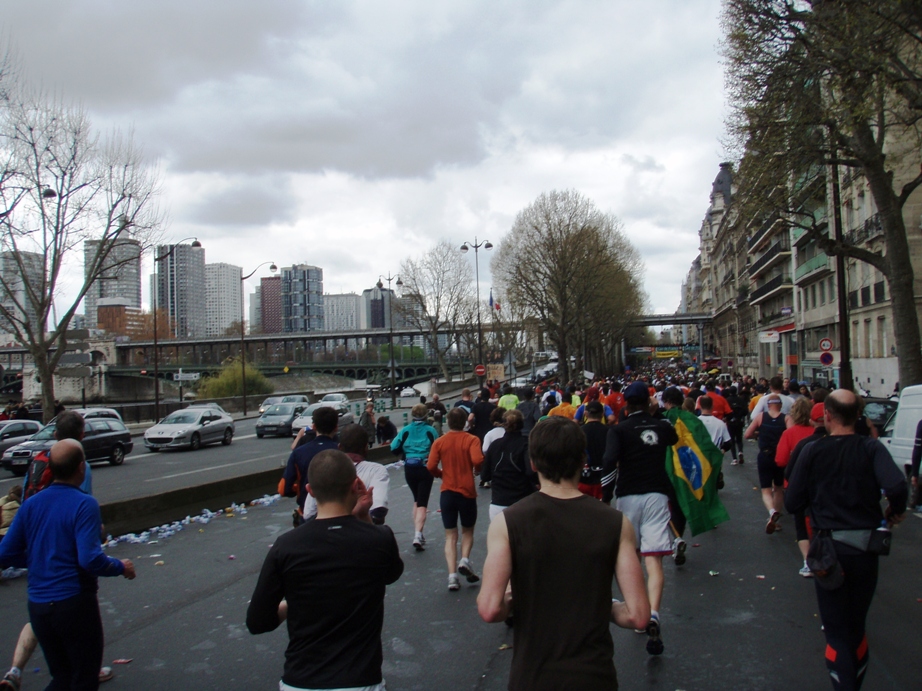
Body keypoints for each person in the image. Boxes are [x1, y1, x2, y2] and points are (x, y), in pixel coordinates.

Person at [477, 416, 651, 689]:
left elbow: (490, 609)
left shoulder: (508, 523)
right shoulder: (615, 523)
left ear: (533, 463)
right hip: (594, 676)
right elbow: (638, 615)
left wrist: (516, 600)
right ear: (583, 460)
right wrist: (604, 605)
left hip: (532, 676)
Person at [247, 450, 404, 691]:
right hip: (360, 680)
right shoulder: (379, 539)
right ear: (355, 485)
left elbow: (258, 622)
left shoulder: (286, 546)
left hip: (301, 680)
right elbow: (391, 574)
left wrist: (295, 601)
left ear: (309, 491)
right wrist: (363, 515)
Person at [785, 389, 907, 691]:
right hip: (866, 549)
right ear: (859, 416)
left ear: (826, 415)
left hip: (829, 549)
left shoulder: (812, 450)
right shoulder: (871, 448)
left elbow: (792, 501)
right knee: (856, 627)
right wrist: (894, 511)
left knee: (836, 632)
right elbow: (896, 485)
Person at [0, 440, 135, 690]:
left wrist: (35, 559)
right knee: (84, 677)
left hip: (39, 607)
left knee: (62, 677)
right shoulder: (84, 504)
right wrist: (120, 566)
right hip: (74, 604)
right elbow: (89, 559)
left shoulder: (31, 504)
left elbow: (4, 553)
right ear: (82, 467)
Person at [602, 380, 679, 656]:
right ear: (648, 402)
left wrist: (605, 494)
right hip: (657, 494)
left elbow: (610, 461)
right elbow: (673, 439)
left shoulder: (619, 431)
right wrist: (655, 414)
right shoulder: (662, 426)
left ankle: (639, 611)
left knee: (629, 555)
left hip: (628, 495)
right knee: (654, 558)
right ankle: (655, 612)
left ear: (624, 403)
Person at [427, 407, 484, 591]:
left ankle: (452, 576)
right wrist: (477, 470)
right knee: (467, 531)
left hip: (447, 492)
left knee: (450, 535)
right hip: (467, 491)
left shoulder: (440, 442)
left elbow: (430, 466)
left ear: (448, 422)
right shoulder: (472, 440)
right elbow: (477, 460)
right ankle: (465, 560)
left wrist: (440, 474)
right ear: (465, 422)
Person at [785, 402, 828, 577]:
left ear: (812, 420)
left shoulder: (805, 444)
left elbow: (788, 471)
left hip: (809, 493)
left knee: (802, 523)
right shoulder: (854, 443)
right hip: (835, 497)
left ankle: (808, 561)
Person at [281, 406, 341, 524]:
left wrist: (298, 490)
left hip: (308, 514)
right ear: (336, 428)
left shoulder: (298, 453)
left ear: (313, 427)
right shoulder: (342, 451)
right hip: (338, 513)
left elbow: (284, 489)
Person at [390, 404, 438, 550]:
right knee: (423, 502)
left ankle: (419, 532)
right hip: (425, 468)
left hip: (409, 468)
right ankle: (417, 534)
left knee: (416, 499)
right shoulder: (430, 430)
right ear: (425, 415)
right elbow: (438, 447)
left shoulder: (405, 431)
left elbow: (393, 447)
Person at [481, 409, 536, 520]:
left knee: (501, 537)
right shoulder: (526, 444)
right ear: (522, 424)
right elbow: (531, 471)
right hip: (522, 500)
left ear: (504, 424)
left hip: (498, 502)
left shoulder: (495, 445)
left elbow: (485, 476)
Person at [745, 393, 788, 534]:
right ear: (780, 405)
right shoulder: (786, 418)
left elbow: (747, 434)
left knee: (766, 490)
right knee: (779, 488)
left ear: (768, 405)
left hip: (765, 455)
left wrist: (759, 434)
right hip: (780, 456)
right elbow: (791, 436)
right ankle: (778, 521)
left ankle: (771, 512)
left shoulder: (761, 417)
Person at [339, 424, 389, 526]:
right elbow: (378, 510)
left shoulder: (324, 470)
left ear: (339, 447)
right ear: (366, 447)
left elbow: (308, 513)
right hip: (363, 535)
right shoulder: (377, 470)